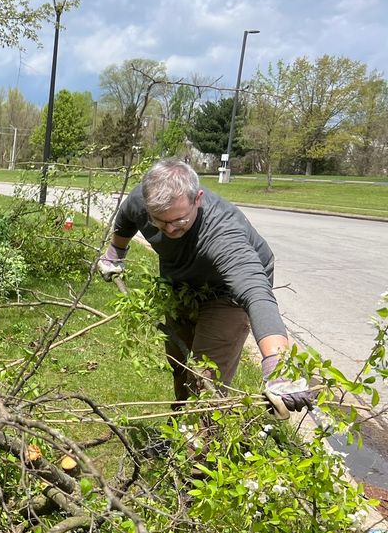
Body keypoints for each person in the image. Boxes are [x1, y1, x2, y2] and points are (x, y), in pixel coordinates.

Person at [96, 158, 314, 416]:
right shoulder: (142, 201)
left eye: (178, 220)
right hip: (182, 282)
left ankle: (200, 447)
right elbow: (126, 218)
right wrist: (115, 253)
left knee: (205, 377)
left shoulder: (222, 235)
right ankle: (181, 428)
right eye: (159, 221)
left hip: (225, 293)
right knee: (179, 359)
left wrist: (278, 367)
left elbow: (257, 295)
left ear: (197, 199)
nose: (168, 229)